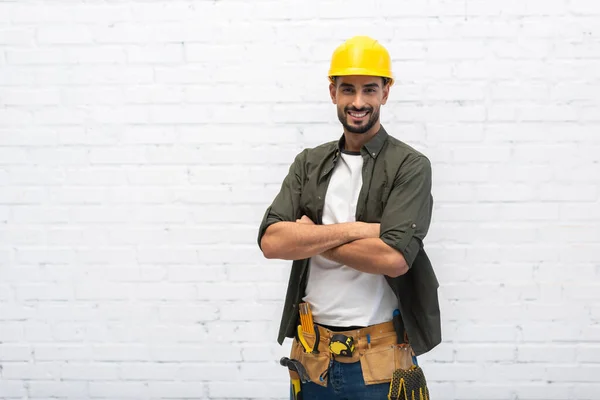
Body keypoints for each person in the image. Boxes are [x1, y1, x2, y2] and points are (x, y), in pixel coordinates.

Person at [257, 36, 441, 400]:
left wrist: (310, 238)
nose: (358, 102)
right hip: (312, 359)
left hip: (382, 363)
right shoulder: (309, 163)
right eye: (348, 90)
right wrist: (358, 232)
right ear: (333, 92)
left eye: (369, 90)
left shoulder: (410, 166)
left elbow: (393, 259)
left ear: (385, 93)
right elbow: (272, 242)